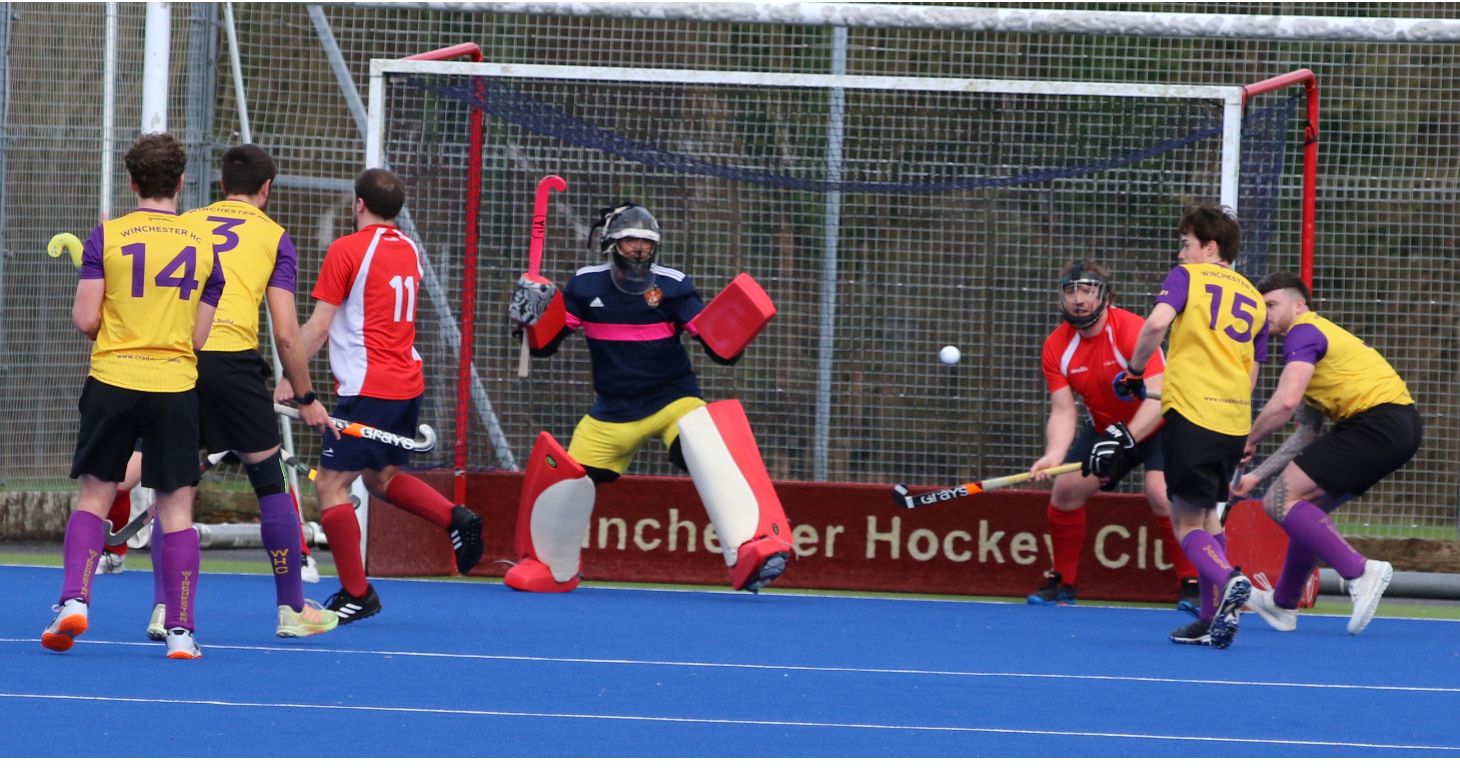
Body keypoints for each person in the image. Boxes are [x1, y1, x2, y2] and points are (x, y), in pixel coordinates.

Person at [503, 202, 792, 594]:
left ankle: (754, 547)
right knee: (566, 482)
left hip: (672, 401)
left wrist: (734, 330)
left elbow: (718, 348)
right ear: (611, 244)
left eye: (645, 241)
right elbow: (545, 346)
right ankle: (551, 567)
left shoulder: (673, 285)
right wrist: (528, 320)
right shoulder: (585, 286)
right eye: (630, 240)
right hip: (611, 413)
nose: (638, 248)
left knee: (708, 444)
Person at [41, 132, 225, 659]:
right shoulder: (204, 247)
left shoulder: (108, 236)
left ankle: (75, 599)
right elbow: (197, 338)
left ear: (132, 181)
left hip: (114, 380)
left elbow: (84, 320)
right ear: (182, 182)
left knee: (96, 496)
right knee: (176, 509)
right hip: (173, 384)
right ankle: (182, 631)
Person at [282, 168, 484, 623]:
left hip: (367, 387)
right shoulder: (409, 249)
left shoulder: (348, 249)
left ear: (358, 204)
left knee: (331, 485)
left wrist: (292, 381)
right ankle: (456, 519)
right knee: (381, 478)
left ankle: (357, 592)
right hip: (406, 384)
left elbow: (318, 325)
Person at [157, 143, 338, 639]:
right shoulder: (275, 236)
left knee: (176, 485)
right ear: (266, 189)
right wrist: (305, 397)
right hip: (234, 362)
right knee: (271, 477)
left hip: (179, 359)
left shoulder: (186, 221)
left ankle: (163, 611)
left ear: (221, 187)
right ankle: (291, 610)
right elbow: (285, 332)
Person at [1103, 202, 1267, 649]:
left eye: (1185, 244)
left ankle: (1229, 579)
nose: (1180, 253)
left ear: (1209, 247)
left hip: (1193, 415)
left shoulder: (1187, 278)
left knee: (1185, 524)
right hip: (1233, 419)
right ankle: (1212, 618)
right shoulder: (1255, 299)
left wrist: (1135, 370)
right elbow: (1252, 372)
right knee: (1210, 518)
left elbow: (1156, 324)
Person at [1233, 272, 1418, 636]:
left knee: (1278, 503)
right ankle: (1283, 603)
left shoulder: (1303, 333)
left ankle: (1360, 571)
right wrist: (1256, 475)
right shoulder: (1318, 347)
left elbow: (1285, 403)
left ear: (1299, 304)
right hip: (1398, 430)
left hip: (1377, 424)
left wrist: (1248, 437)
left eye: (1271, 305)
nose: (1264, 314)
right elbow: (1305, 433)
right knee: (1307, 512)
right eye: (1259, 307)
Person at [1028, 260, 1198, 611]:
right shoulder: (1056, 346)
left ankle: (1191, 583)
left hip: (1161, 425)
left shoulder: (1132, 330)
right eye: (1071, 291)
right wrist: (1054, 455)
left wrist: (1125, 439)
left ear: (1106, 297)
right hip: (1107, 428)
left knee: (1160, 493)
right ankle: (1064, 582)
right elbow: (1063, 410)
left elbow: (1157, 395)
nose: (1078, 299)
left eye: (1088, 290)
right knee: (1066, 491)